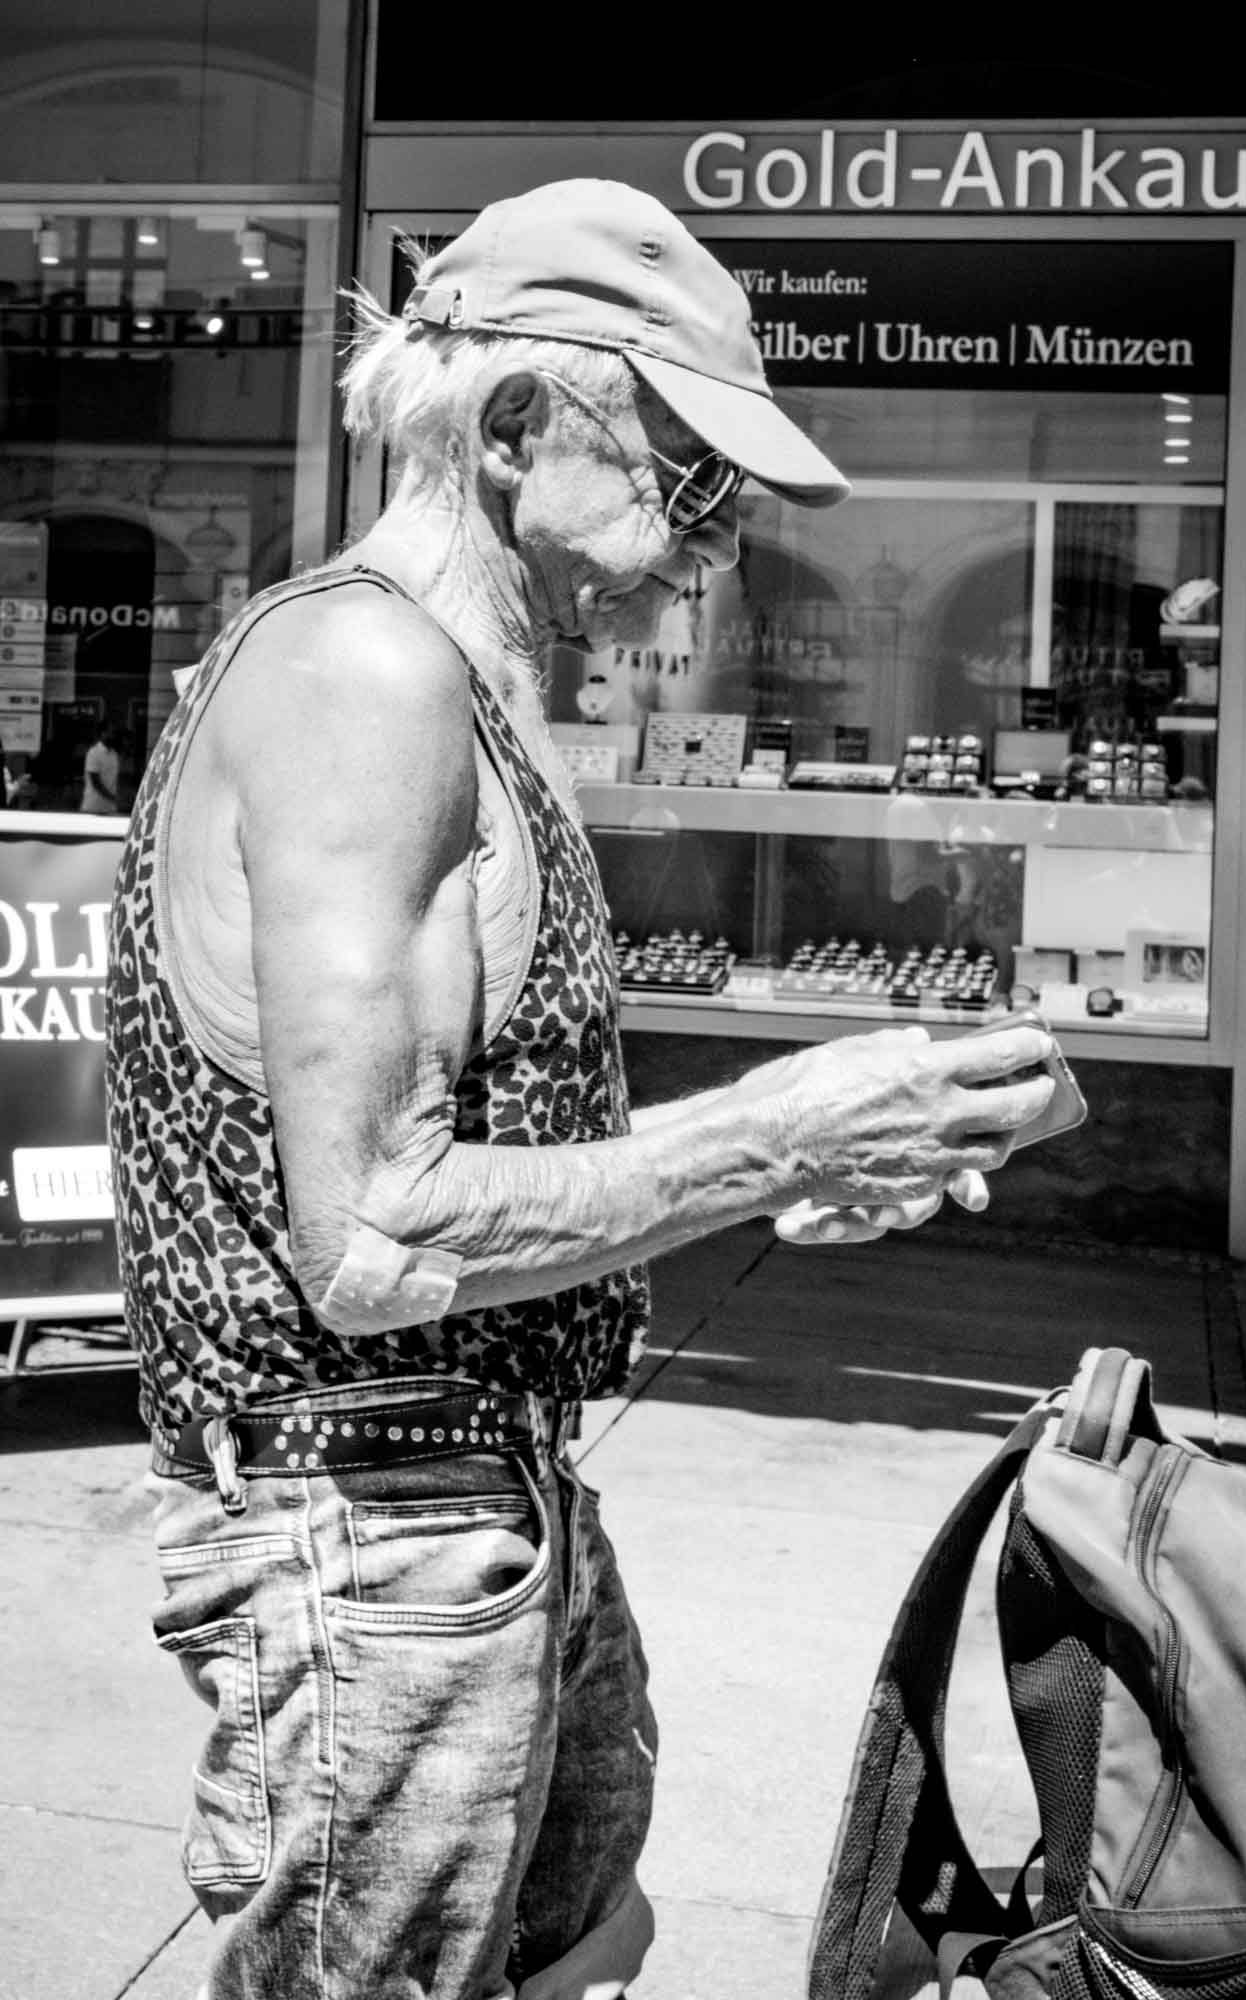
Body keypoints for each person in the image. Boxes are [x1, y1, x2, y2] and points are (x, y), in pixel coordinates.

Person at [104, 178, 1062, 2000]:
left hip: (457, 1501)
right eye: (689, 481)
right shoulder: (368, 671)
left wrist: (780, 1172)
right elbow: (371, 1240)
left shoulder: (451, 679)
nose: (716, 547)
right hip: (370, 1535)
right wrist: (772, 1126)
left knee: (582, 1952)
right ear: (518, 428)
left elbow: (481, 1147)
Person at [80, 718, 121, 813]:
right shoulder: (94, 753)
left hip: (109, 807)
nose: (114, 735)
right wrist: (113, 798)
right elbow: (95, 782)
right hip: (93, 807)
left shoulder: (114, 754)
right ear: (103, 733)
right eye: (111, 732)